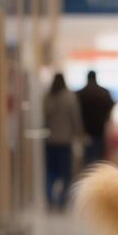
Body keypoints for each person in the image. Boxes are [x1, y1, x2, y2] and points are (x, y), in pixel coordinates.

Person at [43, 73, 84, 211]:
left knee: (50, 172)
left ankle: (50, 198)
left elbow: (44, 118)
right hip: (65, 142)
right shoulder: (69, 97)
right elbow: (76, 118)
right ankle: (61, 201)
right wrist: (78, 134)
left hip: (50, 141)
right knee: (65, 173)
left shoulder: (49, 97)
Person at [77, 70, 115, 166]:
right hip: (100, 128)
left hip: (86, 129)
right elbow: (111, 106)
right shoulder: (104, 92)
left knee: (87, 157)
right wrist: (106, 119)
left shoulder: (80, 93)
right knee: (99, 159)